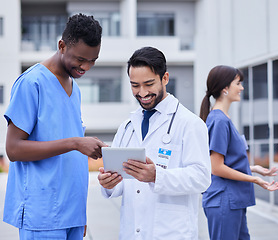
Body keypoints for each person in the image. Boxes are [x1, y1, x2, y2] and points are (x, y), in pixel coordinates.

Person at [3, 13, 106, 239]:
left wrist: (80, 215)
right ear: (61, 45)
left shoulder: (74, 88)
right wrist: (75, 142)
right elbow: (13, 149)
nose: (86, 67)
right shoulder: (32, 83)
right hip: (42, 216)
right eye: (80, 59)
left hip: (72, 214)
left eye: (93, 60)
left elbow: (69, 155)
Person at [97, 46, 211, 240]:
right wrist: (109, 183)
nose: (142, 92)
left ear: (164, 78)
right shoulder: (127, 127)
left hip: (171, 233)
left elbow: (202, 178)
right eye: (135, 85)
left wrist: (157, 176)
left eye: (149, 84)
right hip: (132, 232)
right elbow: (121, 182)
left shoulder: (190, 124)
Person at [199, 65, 278, 240]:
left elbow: (226, 162)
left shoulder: (223, 119)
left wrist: (254, 168)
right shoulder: (219, 120)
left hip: (232, 202)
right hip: (223, 201)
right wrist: (254, 179)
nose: (242, 88)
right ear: (225, 88)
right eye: (238, 83)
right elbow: (216, 167)